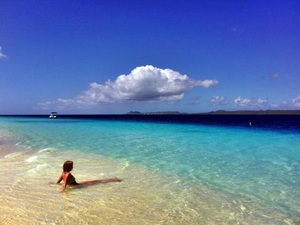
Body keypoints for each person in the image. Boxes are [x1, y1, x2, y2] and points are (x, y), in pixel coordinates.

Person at [56, 160, 121, 192]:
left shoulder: (63, 173)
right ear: (69, 167)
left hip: (77, 185)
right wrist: (62, 191)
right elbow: (64, 184)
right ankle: (113, 179)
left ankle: (112, 179)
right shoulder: (68, 174)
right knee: (97, 182)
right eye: (72, 166)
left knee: (95, 181)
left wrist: (52, 184)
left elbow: (58, 182)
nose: (72, 167)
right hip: (78, 186)